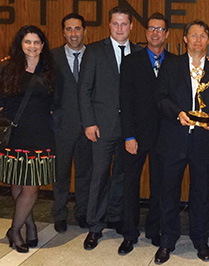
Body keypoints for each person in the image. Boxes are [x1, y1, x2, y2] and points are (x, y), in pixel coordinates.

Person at [154, 19, 209, 263]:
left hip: (204, 142)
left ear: (208, 40)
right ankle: (167, 242)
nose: (198, 39)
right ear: (185, 39)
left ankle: (200, 240)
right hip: (173, 140)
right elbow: (161, 98)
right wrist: (178, 113)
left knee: (203, 193)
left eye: (203, 35)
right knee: (168, 192)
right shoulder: (170, 65)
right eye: (193, 35)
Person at [78, 6, 142, 250]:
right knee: (100, 176)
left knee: (122, 177)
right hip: (101, 127)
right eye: (115, 24)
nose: (119, 28)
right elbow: (84, 90)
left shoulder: (139, 52)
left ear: (131, 26)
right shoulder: (94, 51)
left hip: (128, 130)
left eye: (124, 24)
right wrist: (89, 123)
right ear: (109, 25)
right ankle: (95, 226)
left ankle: (114, 216)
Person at [118, 12, 175, 255]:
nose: (155, 33)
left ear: (167, 34)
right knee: (130, 184)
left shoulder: (175, 63)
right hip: (137, 136)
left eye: (160, 29)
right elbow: (126, 102)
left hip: (165, 135)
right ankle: (129, 233)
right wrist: (129, 136)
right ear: (145, 32)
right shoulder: (132, 62)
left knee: (160, 186)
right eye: (151, 28)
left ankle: (154, 230)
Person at [0, 25, 56, 253]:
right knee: (17, 182)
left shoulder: (51, 70)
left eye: (36, 42)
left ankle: (14, 229)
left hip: (41, 134)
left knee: (32, 187)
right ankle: (29, 224)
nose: (32, 46)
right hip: (15, 134)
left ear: (42, 45)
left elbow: (58, 101)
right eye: (27, 42)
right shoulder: (6, 68)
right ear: (20, 44)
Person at [51, 13, 92, 233]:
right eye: (69, 29)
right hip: (62, 126)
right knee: (61, 173)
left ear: (84, 31)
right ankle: (59, 213)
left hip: (88, 126)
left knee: (85, 172)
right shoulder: (52, 56)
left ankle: (82, 212)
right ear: (63, 32)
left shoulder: (94, 55)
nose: (73, 33)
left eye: (77, 29)